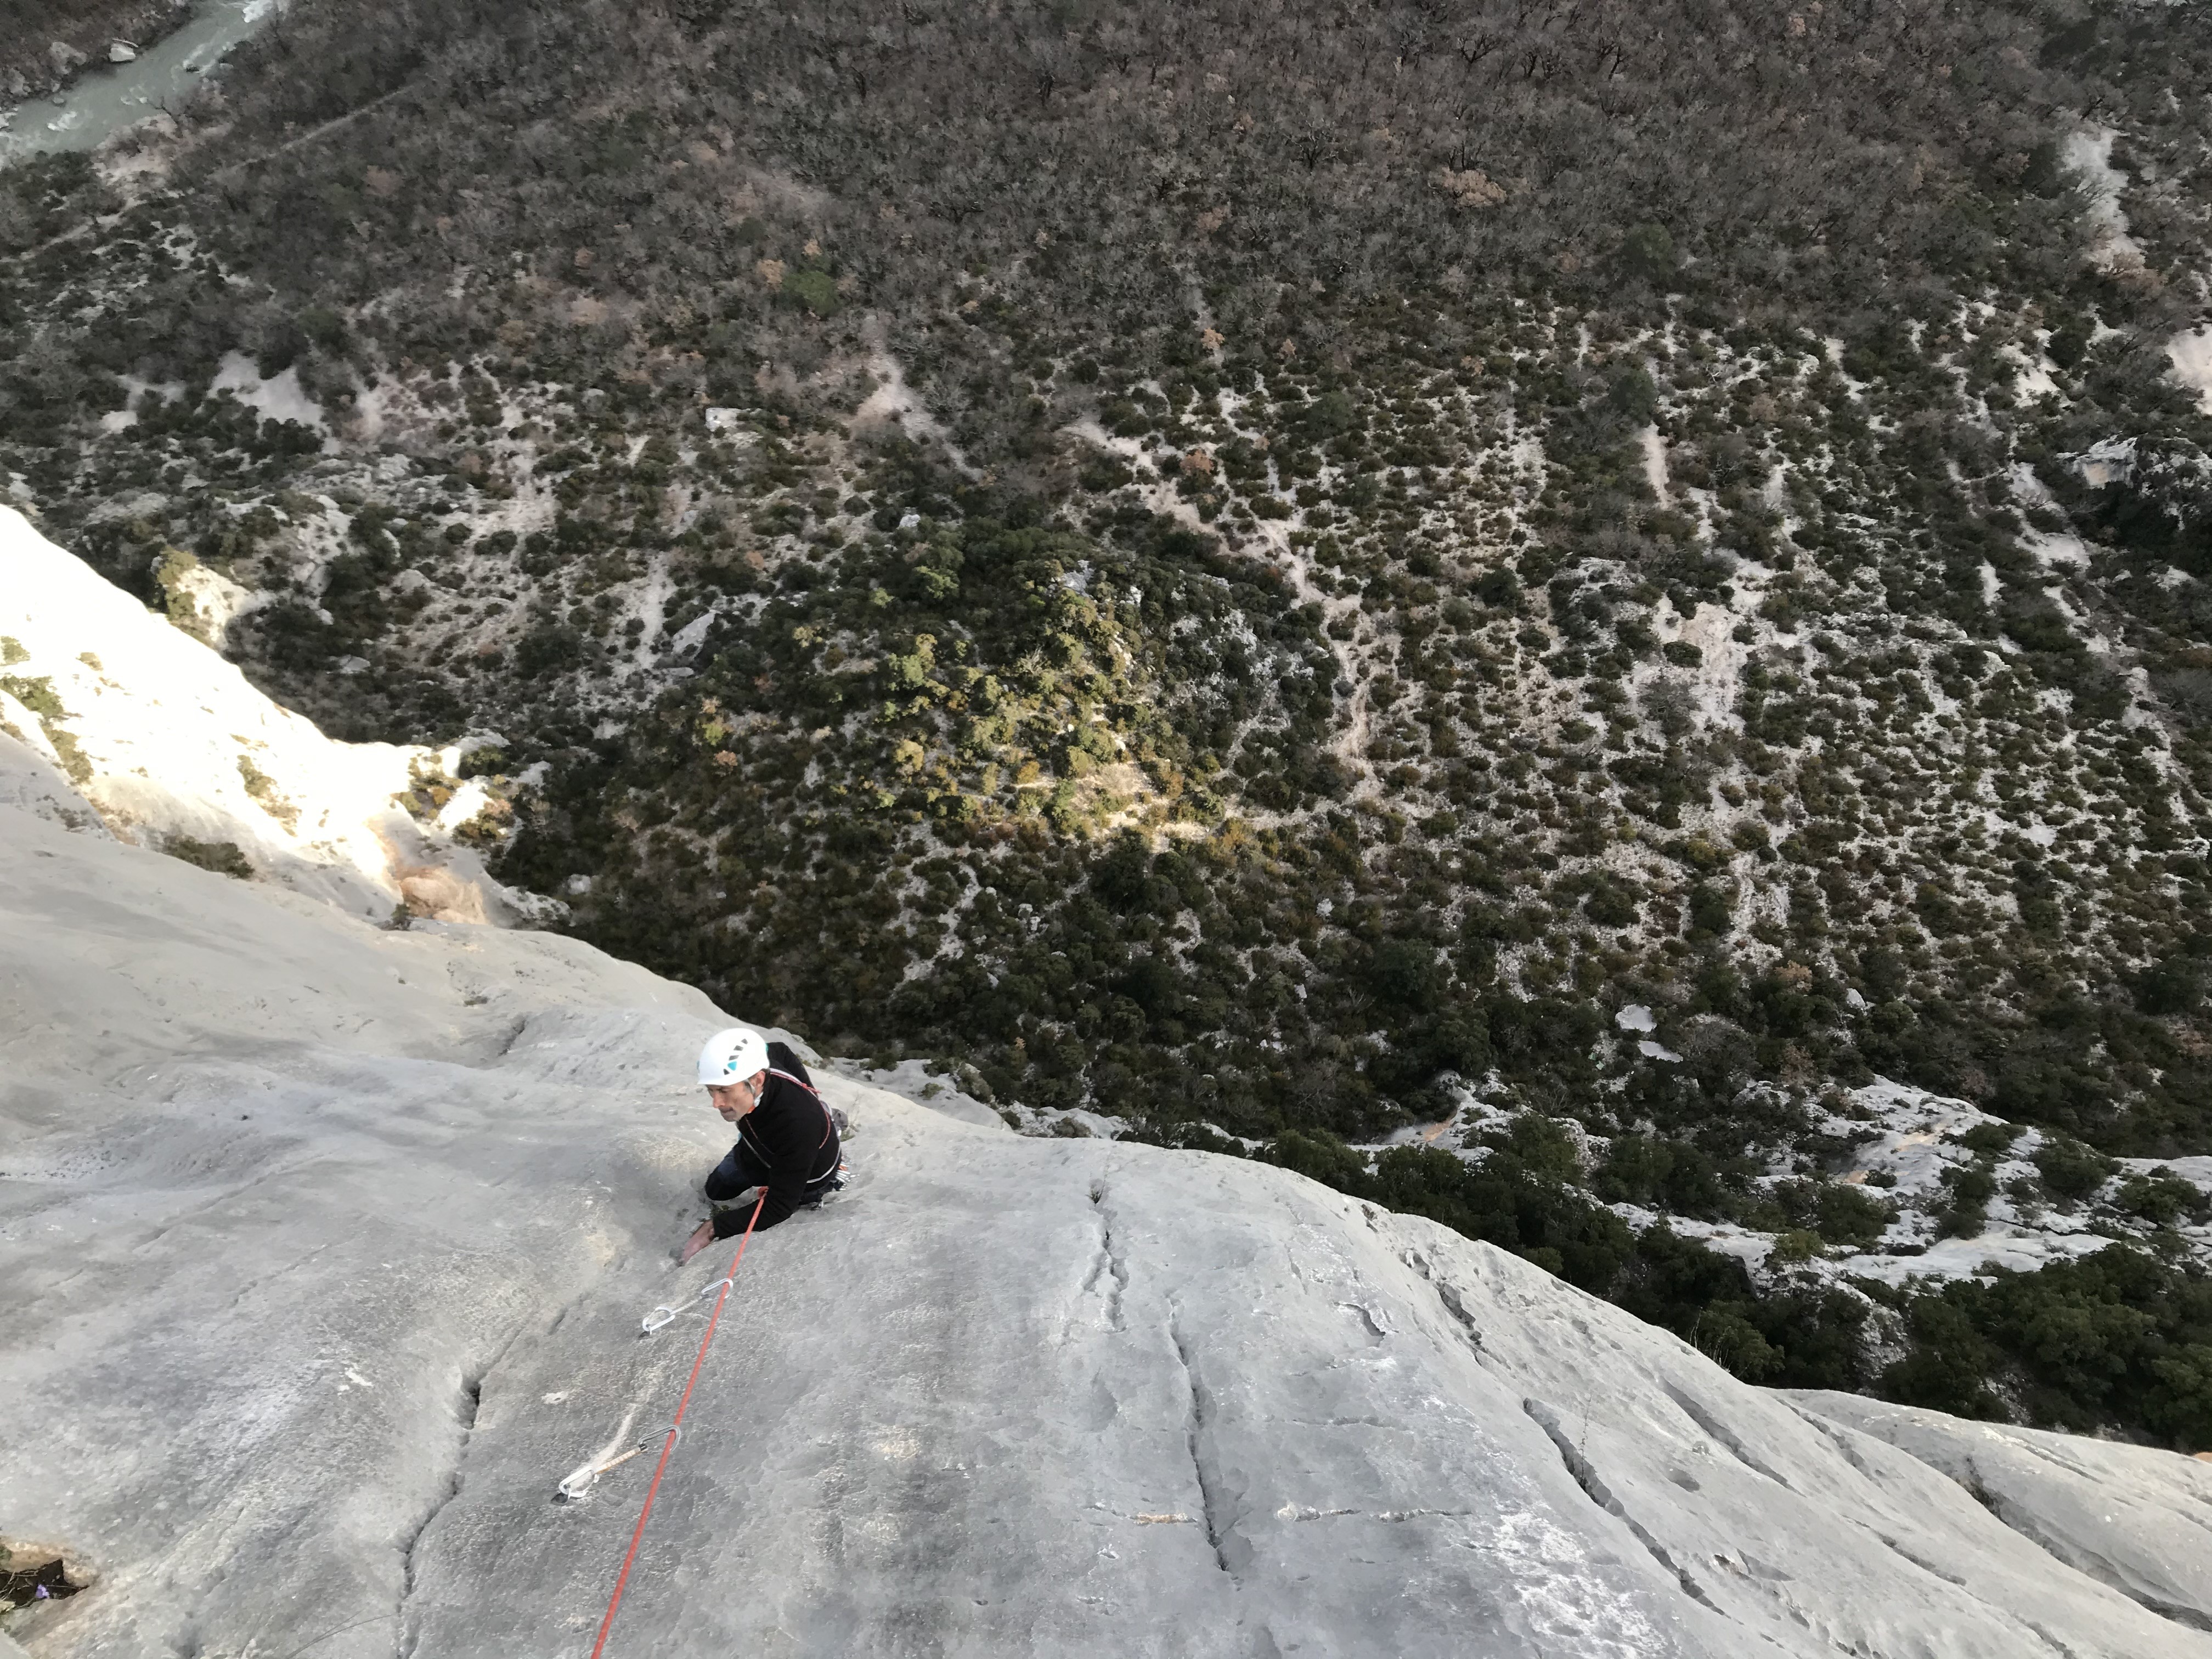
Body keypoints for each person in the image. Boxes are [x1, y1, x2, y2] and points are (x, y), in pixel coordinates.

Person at [679, 1027, 845, 1263]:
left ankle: (825, 1133)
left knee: (790, 1188)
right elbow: (781, 1049)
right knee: (716, 1190)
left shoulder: (798, 1124)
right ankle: (823, 1115)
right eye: (711, 1091)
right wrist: (811, 1094)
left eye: (724, 1091)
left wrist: (713, 1228)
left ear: (758, 1080)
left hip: (808, 1171)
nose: (717, 1103)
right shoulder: (764, 1061)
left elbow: (779, 1207)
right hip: (761, 1146)